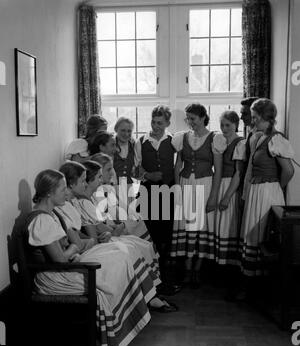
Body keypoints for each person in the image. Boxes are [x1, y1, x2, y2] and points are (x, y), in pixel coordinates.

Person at [24, 169, 158, 346]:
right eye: (63, 189)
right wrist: (74, 248)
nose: (66, 193)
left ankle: (122, 320)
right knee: (113, 268)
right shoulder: (41, 220)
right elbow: (60, 260)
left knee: (119, 258)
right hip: (55, 276)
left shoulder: (50, 213)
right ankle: (106, 333)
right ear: (49, 193)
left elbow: (71, 246)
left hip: (66, 265)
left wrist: (76, 246)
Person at [59, 160, 177, 313]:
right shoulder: (71, 206)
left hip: (94, 244)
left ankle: (150, 293)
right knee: (128, 253)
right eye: (83, 181)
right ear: (71, 185)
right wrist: (87, 241)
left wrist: (95, 237)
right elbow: (85, 239)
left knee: (137, 246)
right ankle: (142, 298)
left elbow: (85, 235)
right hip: (89, 251)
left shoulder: (75, 203)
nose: (86, 184)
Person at [171, 103, 227, 286]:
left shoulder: (215, 138)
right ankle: (187, 269)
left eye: (192, 118)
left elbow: (218, 170)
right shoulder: (182, 137)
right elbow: (178, 165)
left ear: (203, 117)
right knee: (188, 226)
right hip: (186, 183)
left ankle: (198, 269)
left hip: (205, 184)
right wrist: (177, 188)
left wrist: (213, 196)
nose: (190, 122)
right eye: (187, 119)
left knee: (201, 226)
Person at [240, 98, 294, 278]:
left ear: (265, 117)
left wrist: (276, 187)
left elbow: (288, 170)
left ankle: (261, 283)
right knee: (253, 234)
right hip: (257, 191)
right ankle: (250, 280)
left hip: (268, 192)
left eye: (255, 117)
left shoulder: (276, 138)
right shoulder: (259, 137)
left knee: (263, 236)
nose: (252, 121)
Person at [135, 105, 176, 289]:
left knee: (165, 234)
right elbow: (136, 169)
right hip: (147, 191)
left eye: (160, 122)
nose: (156, 125)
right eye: (153, 121)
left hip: (167, 191)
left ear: (167, 123)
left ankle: (165, 279)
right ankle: (150, 279)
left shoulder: (174, 141)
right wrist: (148, 176)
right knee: (149, 233)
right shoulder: (141, 141)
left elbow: (180, 165)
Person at [214, 110, 246, 267]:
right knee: (220, 225)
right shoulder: (221, 143)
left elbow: (239, 174)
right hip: (219, 185)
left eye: (228, 125)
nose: (224, 128)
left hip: (231, 187)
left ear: (236, 125)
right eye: (222, 125)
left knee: (229, 226)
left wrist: (227, 197)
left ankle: (229, 266)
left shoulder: (240, 143)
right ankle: (219, 264)